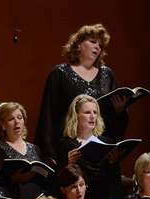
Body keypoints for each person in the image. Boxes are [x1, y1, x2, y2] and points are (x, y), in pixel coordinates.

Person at [35, 23, 129, 164]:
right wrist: (50, 154)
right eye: (92, 42)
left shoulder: (107, 74)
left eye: (100, 45)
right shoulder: (59, 73)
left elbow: (114, 119)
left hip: (101, 146)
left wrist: (119, 111)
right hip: (70, 147)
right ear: (78, 44)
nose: (97, 47)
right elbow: (48, 115)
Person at [56, 94, 121, 199]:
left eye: (95, 112)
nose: (92, 117)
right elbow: (60, 182)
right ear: (76, 115)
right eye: (87, 112)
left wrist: (113, 163)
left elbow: (112, 180)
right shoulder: (66, 144)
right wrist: (69, 165)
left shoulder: (106, 141)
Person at [0, 102, 46, 199]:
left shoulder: (34, 148)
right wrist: (13, 178)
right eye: (11, 119)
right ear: (2, 124)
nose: (17, 122)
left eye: (20, 118)